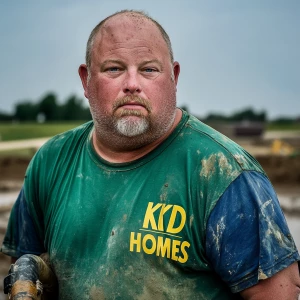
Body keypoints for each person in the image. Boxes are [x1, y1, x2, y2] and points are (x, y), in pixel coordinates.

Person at [1, 9, 300, 299]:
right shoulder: (51, 162)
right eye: (114, 68)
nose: (132, 85)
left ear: (174, 76)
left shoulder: (224, 174)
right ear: (86, 80)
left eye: (148, 69)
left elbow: (278, 294)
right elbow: (23, 275)